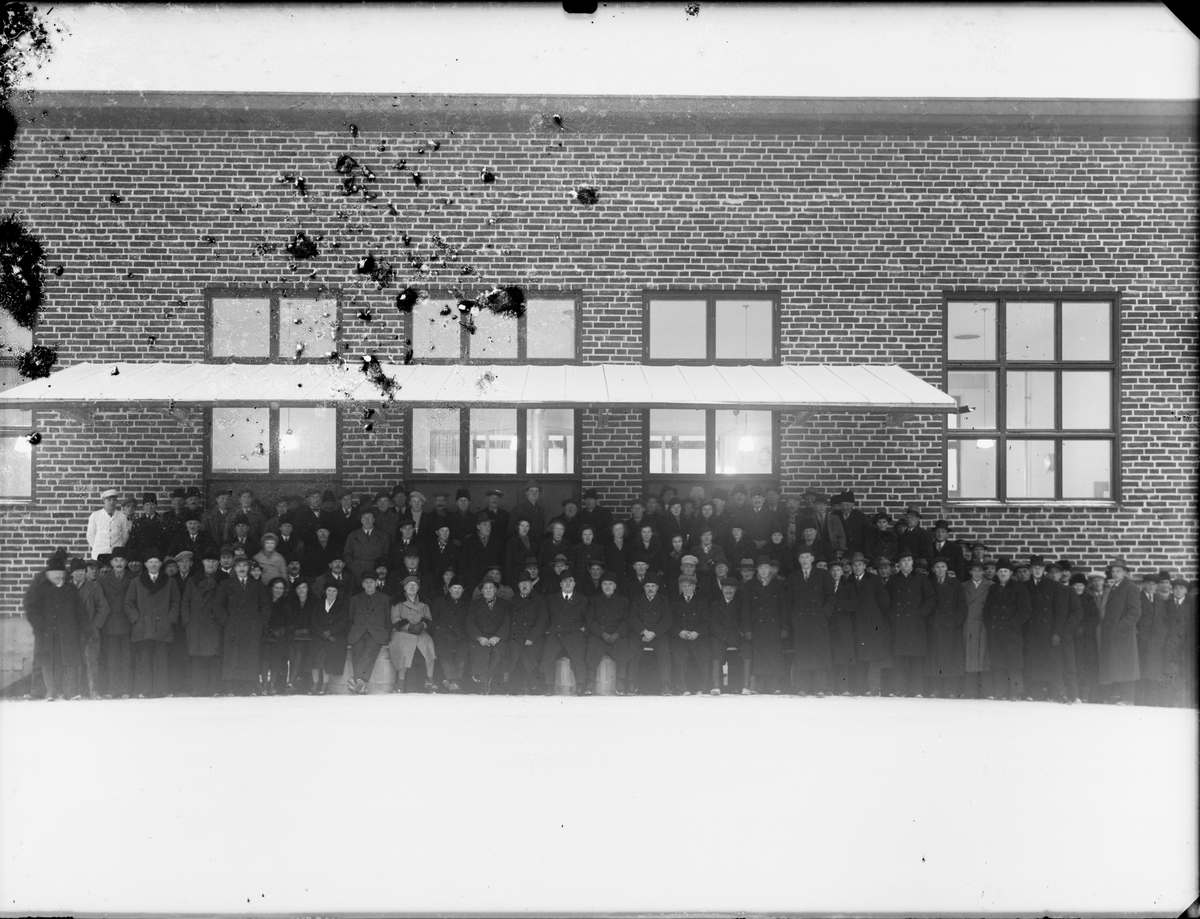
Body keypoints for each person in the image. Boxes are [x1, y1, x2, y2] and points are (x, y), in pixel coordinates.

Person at [24, 552, 87, 700]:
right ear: (49, 575)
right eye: (55, 575)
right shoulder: (41, 588)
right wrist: (39, 625)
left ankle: (71, 692)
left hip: (68, 630)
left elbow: (79, 610)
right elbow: (31, 607)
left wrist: (83, 627)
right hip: (46, 631)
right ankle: (50, 692)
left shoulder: (70, 589)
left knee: (70, 660)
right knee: (47, 661)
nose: (58, 577)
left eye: (60, 574)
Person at [214, 556, 271, 695]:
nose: (242, 568)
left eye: (244, 565)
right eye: (239, 566)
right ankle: (231, 689)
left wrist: (259, 623)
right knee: (232, 657)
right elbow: (218, 606)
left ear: (249, 568)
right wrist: (227, 621)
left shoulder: (257, 585)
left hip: (252, 628)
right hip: (233, 627)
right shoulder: (226, 584)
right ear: (234, 568)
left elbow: (265, 606)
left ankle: (249, 688)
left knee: (250, 657)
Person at [884, 550, 935, 697]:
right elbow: (886, 601)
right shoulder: (893, 580)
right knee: (899, 658)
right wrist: (892, 616)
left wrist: (921, 614)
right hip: (898, 624)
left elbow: (931, 599)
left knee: (916, 659)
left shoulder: (921, 578)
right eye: (903, 561)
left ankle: (917, 690)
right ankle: (899, 689)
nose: (906, 563)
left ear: (912, 562)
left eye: (908, 560)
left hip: (915, 624)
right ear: (899, 564)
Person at [982, 558, 1031, 701]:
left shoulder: (1020, 588)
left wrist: (1013, 624)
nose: (1003, 574)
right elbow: (987, 609)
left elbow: (1025, 610)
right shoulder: (993, 589)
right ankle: (1000, 691)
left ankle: (1015, 692)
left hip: (1011, 632)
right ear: (997, 574)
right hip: (996, 631)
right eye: (1000, 571)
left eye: (1005, 571)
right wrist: (990, 625)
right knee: (998, 662)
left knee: (1014, 663)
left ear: (1010, 573)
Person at [788, 547, 835, 696]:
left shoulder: (823, 574)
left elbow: (830, 596)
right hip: (801, 621)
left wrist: (824, 614)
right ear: (798, 560)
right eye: (802, 557)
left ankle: (819, 688)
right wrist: (794, 617)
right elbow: (789, 600)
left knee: (819, 653)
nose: (804, 560)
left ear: (812, 559)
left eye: (807, 557)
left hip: (818, 620)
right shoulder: (793, 576)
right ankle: (802, 687)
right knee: (802, 653)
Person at [1024, 555, 1069, 702]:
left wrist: (1057, 632)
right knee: (1033, 662)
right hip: (1032, 631)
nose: (1037, 570)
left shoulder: (1053, 586)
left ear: (1044, 569)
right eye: (1034, 568)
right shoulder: (1025, 585)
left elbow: (1060, 611)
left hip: (1049, 631)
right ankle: (1037, 693)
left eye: (1040, 568)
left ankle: (1058, 694)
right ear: (1030, 569)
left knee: (1052, 663)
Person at [1097, 557, 1142, 704]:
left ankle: (1128, 698)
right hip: (1112, 634)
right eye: (1113, 571)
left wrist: (1120, 628)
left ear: (1125, 573)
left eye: (1118, 571)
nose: (1115, 574)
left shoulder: (1130, 587)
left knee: (1126, 665)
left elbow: (1135, 612)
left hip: (1123, 635)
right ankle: (1116, 697)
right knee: (1114, 665)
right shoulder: (1114, 587)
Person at [180, 547, 224, 696]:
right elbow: (185, 602)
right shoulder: (193, 580)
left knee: (214, 658)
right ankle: (198, 690)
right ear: (203, 562)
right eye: (208, 561)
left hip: (216, 625)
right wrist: (187, 622)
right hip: (196, 626)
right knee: (198, 659)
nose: (211, 564)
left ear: (218, 563)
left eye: (214, 561)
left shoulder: (224, 580)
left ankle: (214, 689)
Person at [924, 557, 966, 698]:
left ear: (947, 568)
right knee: (934, 658)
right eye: (937, 567)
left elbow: (962, 605)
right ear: (933, 569)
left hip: (951, 627)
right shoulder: (929, 583)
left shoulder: (956, 584)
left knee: (951, 658)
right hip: (934, 626)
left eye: (943, 566)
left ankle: (950, 689)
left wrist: (956, 622)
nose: (940, 570)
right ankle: (935, 689)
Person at [68, 557, 109, 699]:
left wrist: (94, 626)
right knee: (73, 662)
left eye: (82, 571)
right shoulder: (67, 588)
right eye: (76, 571)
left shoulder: (94, 587)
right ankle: (76, 692)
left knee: (90, 661)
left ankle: (93, 691)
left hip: (90, 631)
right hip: (72, 632)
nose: (80, 573)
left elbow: (104, 608)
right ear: (71, 573)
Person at [390, 575, 437, 692]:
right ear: (405, 587)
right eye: (409, 585)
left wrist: (422, 625)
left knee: (429, 644)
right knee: (405, 648)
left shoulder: (424, 602)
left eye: (414, 585)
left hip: (420, 631)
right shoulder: (397, 601)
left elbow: (428, 618)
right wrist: (409, 627)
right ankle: (400, 682)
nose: (412, 587)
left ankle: (429, 680)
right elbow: (395, 619)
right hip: (402, 632)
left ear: (418, 588)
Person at [345, 573, 391, 694]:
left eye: (371, 582)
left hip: (377, 633)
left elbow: (388, 620)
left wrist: (388, 635)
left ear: (376, 584)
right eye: (366, 582)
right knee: (357, 651)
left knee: (369, 651)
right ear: (362, 585)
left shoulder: (385, 599)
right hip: (358, 632)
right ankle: (360, 683)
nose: (369, 584)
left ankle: (356, 679)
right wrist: (351, 632)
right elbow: (350, 619)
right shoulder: (355, 599)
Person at [628, 574, 673, 695]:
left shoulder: (664, 600)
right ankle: (631, 683)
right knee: (632, 649)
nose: (650, 589)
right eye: (647, 586)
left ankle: (666, 684)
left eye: (653, 586)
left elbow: (667, 620)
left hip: (658, 635)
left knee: (665, 651)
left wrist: (654, 633)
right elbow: (632, 618)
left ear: (657, 587)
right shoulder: (636, 600)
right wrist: (644, 631)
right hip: (640, 634)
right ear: (644, 587)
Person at [505, 572, 549, 694]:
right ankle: (516, 685)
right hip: (517, 636)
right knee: (513, 651)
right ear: (518, 586)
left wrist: (532, 638)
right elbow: (511, 620)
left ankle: (531, 683)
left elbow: (543, 621)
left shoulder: (540, 599)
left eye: (527, 583)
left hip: (533, 636)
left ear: (531, 585)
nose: (524, 586)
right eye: (521, 584)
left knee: (528, 652)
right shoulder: (514, 599)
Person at [467, 578, 511, 693]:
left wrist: (497, 637)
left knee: (497, 651)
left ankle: (484, 679)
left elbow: (507, 623)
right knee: (481, 650)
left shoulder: (505, 604)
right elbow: (470, 623)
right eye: (485, 588)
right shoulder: (474, 604)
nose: (488, 590)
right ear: (482, 591)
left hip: (498, 637)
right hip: (481, 637)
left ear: (495, 590)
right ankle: (484, 684)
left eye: (491, 588)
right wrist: (479, 637)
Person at [306, 583, 349, 694]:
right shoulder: (318, 604)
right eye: (329, 590)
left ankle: (325, 684)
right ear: (325, 591)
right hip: (319, 635)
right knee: (315, 657)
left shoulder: (342, 604)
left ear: (337, 592)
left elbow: (344, 622)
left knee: (328, 657)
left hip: (335, 635)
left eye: (334, 591)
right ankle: (315, 683)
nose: (331, 593)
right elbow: (313, 621)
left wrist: (330, 632)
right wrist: (322, 633)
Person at [671, 575, 710, 694]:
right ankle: (682, 686)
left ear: (694, 587)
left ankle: (704, 686)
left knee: (703, 654)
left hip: (698, 636)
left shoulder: (702, 602)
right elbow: (670, 621)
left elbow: (707, 621)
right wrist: (679, 632)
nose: (687, 588)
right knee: (680, 655)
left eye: (689, 586)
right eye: (684, 586)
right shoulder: (674, 602)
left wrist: (697, 632)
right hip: (681, 636)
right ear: (681, 587)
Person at [431, 576, 471, 692]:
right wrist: (438, 630)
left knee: (461, 654)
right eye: (454, 588)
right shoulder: (439, 601)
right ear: (449, 589)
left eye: (459, 588)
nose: (457, 591)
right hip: (444, 634)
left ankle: (454, 681)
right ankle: (454, 681)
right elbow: (432, 620)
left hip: (461, 635)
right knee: (444, 652)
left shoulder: (468, 603)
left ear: (463, 590)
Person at [461, 513, 505, 591]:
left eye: (489, 525)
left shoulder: (497, 542)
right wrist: (468, 577)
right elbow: (463, 563)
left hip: (492, 582)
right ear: (478, 527)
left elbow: (501, 561)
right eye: (485, 525)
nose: (488, 527)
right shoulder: (468, 542)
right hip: (474, 582)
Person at [342, 511, 389, 582]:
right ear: (361, 520)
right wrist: (351, 567)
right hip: (357, 572)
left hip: (374, 572)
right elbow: (347, 554)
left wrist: (380, 569)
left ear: (373, 519)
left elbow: (386, 555)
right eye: (364, 518)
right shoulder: (353, 535)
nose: (367, 520)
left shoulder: (383, 536)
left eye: (369, 517)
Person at [87, 488, 130, 560]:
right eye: (109, 500)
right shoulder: (95, 516)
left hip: (116, 555)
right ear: (104, 500)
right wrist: (97, 547)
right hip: (99, 554)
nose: (112, 502)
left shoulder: (122, 516)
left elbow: (125, 535)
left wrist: (119, 547)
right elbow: (90, 536)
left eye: (114, 500)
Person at [832, 491, 868, 557]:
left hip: (856, 551)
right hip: (840, 552)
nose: (845, 507)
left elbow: (865, 536)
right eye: (842, 505)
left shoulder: (860, 516)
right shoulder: (834, 516)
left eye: (847, 505)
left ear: (852, 505)